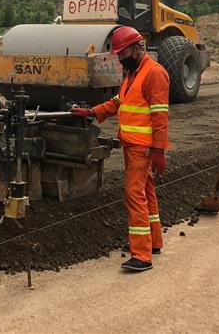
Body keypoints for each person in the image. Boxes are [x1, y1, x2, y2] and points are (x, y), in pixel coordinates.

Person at [70, 26, 170, 271]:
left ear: (137, 48)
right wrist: (92, 112)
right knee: (146, 193)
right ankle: (153, 242)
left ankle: (142, 255)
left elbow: (160, 117)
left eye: (123, 54)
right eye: (119, 55)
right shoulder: (134, 74)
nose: (121, 59)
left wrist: (158, 151)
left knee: (134, 195)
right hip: (133, 145)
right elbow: (118, 102)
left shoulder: (154, 74)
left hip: (143, 148)